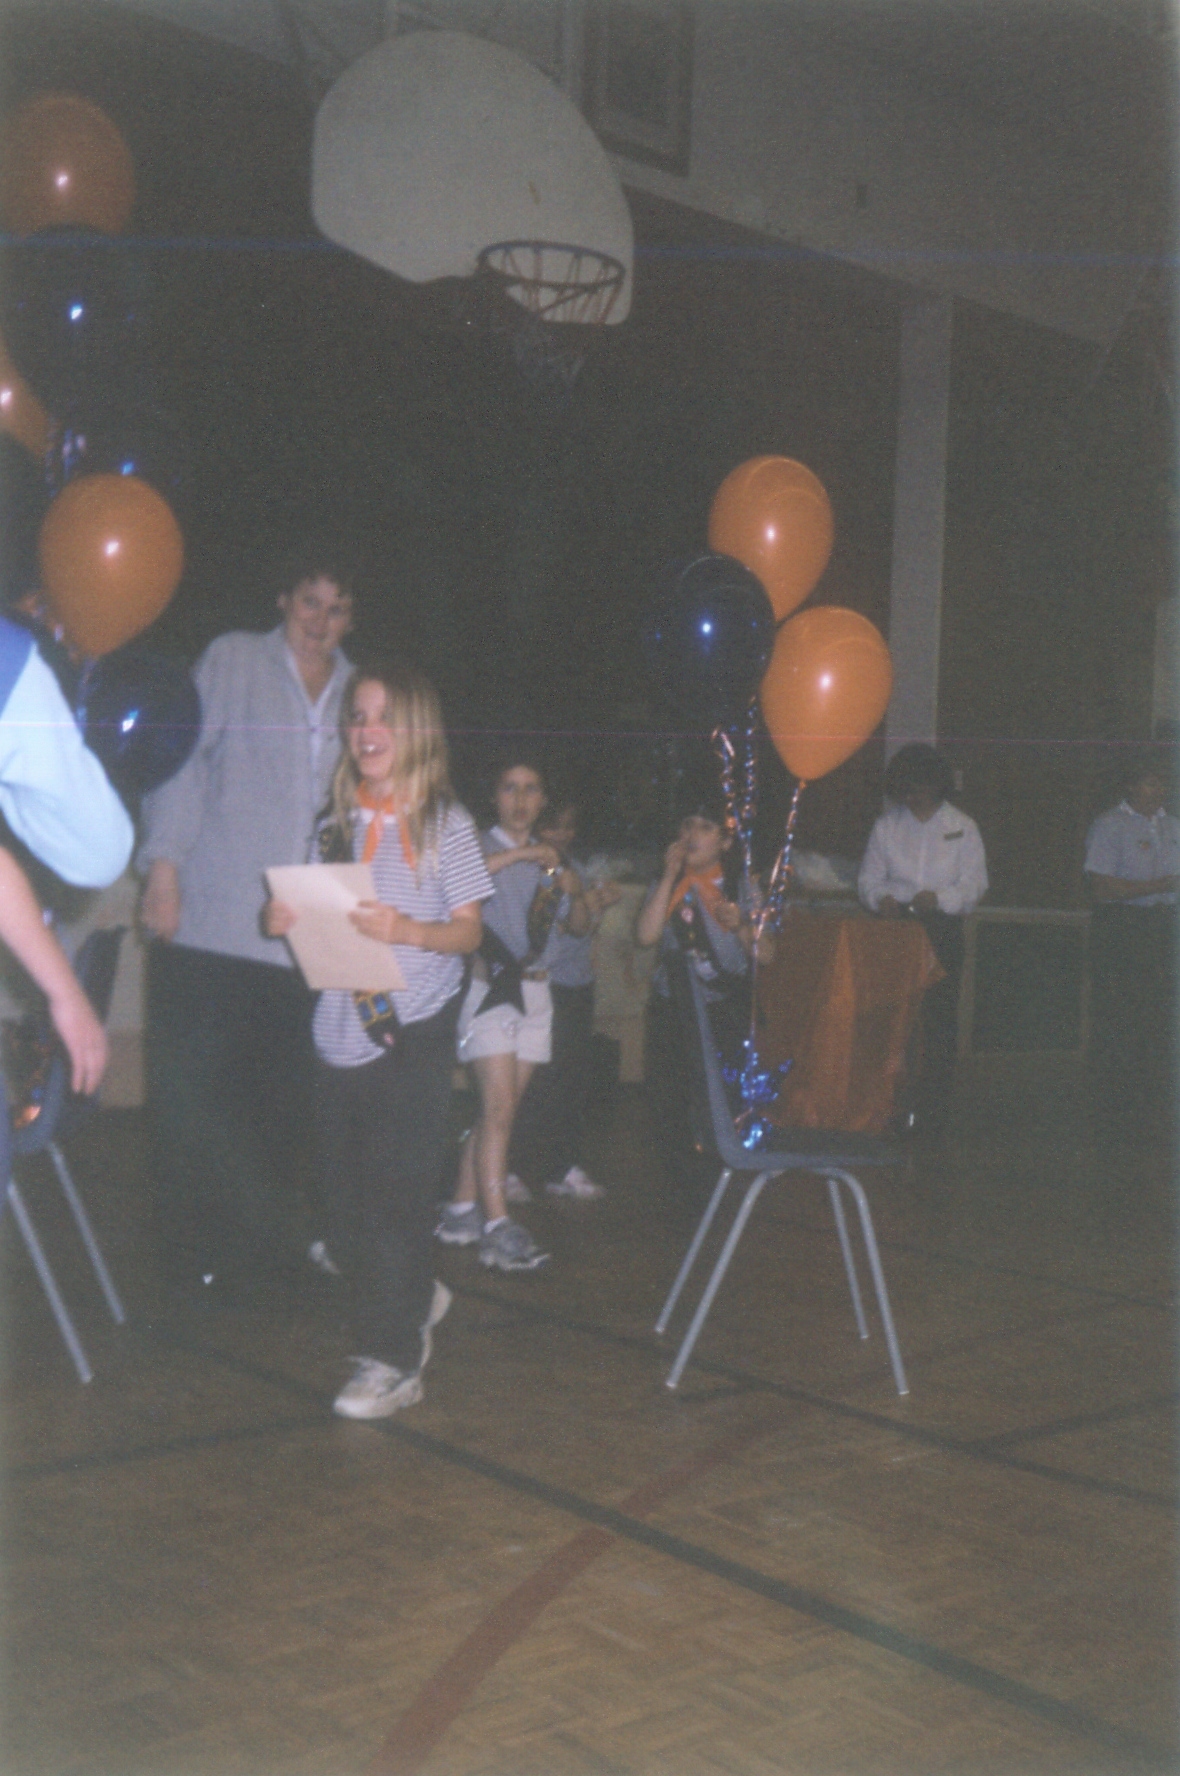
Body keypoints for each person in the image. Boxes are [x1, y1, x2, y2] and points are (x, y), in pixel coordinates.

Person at [265, 663, 491, 1417]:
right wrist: (284, 921)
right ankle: (415, 1291)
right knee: (341, 1213)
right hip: (337, 1032)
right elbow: (316, 921)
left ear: (416, 729)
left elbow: (469, 932)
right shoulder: (333, 823)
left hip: (412, 1031)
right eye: (357, 716)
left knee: (393, 1203)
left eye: (383, 717)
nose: (366, 731)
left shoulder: (445, 824)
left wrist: (409, 930)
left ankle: (392, 1361)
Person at [136, 547, 355, 1298]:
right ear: (283, 600)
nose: (320, 622)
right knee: (199, 1105)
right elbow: (180, 764)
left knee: (280, 1113)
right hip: (212, 924)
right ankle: (188, 1263)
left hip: (302, 941)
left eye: (336, 608)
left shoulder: (359, 691)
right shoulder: (231, 659)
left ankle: (264, 1261)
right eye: (309, 602)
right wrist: (163, 867)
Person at [437, 754, 590, 1271]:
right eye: (509, 788)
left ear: (543, 799)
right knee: (499, 1109)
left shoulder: (554, 859)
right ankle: (497, 1227)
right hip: (491, 990)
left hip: (537, 992)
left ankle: (461, 1210)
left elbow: (578, 926)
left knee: (497, 1112)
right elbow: (463, 881)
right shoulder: (477, 846)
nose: (521, 799)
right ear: (494, 796)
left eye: (530, 789)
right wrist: (525, 856)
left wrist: (576, 892)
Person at [858, 742, 987, 1136]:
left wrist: (942, 899)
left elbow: (975, 884)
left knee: (939, 1021)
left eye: (921, 786)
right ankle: (887, 1105)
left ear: (936, 784)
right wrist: (879, 899)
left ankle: (934, 1112)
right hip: (896, 928)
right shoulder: (887, 826)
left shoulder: (963, 826)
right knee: (893, 1017)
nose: (913, 795)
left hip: (941, 928)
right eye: (907, 788)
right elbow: (868, 880)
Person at [636, 789, 755, 1201]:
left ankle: (720, 1178)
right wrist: (669, 877)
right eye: (687, 825)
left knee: (720, 1099)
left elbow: (769, 953)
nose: (692, 835)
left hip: (722, 1007)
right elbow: (645, 935)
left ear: (725, 841)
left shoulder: (740, 886)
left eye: (705, 827)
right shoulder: (668, 883)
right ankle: (682, 1184)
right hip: (675, 1007)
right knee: (670, 1098)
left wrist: (741, 927)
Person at [506, 794, 621, 1202]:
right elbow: (538, 934)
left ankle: (562, 1165)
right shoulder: (526, 867)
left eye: (569, 826)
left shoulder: (575, 866)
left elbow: (582, 928)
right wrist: (582, 903)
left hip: (577, 983)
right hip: (543, 983)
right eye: (554, 826)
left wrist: (595, 902)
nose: (562, 834)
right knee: (532, 1083)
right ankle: (508, 1167)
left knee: (571, 1083)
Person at [1083, 748, 1178, 1138]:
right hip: (1122, 929)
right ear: (1131, 786)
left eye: (1163, 783)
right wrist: (1160, 885)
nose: (1158, 790)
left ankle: (1151, 1108)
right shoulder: (1110, 825)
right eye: (1150, 783)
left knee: (1158, 1019)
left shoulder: (1173, 826)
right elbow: (1102, 888)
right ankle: (1112, 1111)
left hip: (1164, 927)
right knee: (1120, 1018)